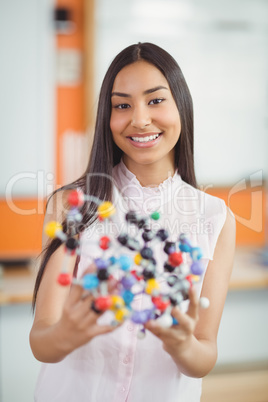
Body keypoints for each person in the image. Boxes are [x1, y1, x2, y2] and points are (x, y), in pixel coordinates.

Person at [30, 42, 236, 402]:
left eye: (155, 100)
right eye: (122, 105)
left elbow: (203, 357)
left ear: (181, 107)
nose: (139, 119)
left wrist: (182, 344)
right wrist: (67, 333)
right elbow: (41, 340)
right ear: (106, 117)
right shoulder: (72, 205)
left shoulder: (215, 217)